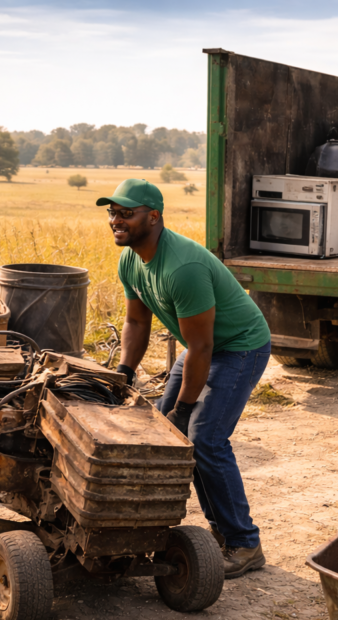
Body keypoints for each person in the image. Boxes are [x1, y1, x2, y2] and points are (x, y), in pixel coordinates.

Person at [98, 179, 272, 578]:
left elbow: (202, 349)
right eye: (112, 213)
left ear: (153, 216)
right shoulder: (131, 259)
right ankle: (220, 531)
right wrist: (124, 373)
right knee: (172, 435)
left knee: (204, 437)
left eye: (126, 213)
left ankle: (245, 544)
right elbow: (135, 320)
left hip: (238, 347)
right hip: (202, 348)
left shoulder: (183, 267)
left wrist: (184, 407)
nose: (115, 221)